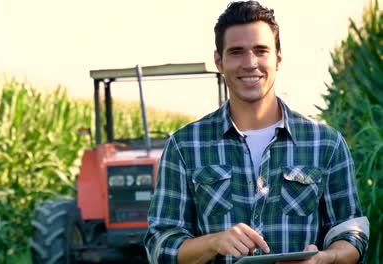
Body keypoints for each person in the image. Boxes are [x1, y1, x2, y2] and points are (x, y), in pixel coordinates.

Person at [144, 1, 369, 263]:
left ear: (278, 58)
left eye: (261, 51)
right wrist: (215, 241)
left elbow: (351, 234)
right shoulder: (185, 146)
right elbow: (160, 245)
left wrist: (324, 258)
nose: (250, 63)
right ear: (219, 60)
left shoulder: (325, 143)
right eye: (236, 52)